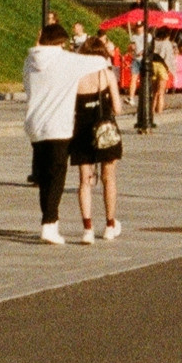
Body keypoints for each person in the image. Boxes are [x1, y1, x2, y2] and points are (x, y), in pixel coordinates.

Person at [24, 20, 111, 243]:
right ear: (61, 42)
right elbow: (100, 61)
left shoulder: (30, 61)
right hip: (58, 126)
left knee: (44, 176)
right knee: (57, 176)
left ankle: (48, 220)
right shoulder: (66, 60)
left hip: (35, 125)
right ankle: (49, 224)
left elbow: (27, 86)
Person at [71, 35, 124, 241]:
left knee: (84, 181)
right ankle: (110, 225)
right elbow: (118, 109)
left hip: (82, 131)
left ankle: (87, 229)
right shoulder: (107, 75)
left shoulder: (76, 78)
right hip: (105, 132)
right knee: (108, 178)